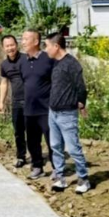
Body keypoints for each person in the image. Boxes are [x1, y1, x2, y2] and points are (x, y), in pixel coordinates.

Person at [44, 32, 91, 194]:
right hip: (53, 112)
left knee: (73, 148)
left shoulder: (72, 63)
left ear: (56, 46)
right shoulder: (54, 63)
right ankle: (60, 178)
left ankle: (83, 179)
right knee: (55, 146)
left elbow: (81, 87)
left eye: (47, 46)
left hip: (67, 114)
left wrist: (81, 104)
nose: (46, 49)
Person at [19, 29, 55, 180]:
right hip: (29, 108)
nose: (23, 42)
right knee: (32, 141)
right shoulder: (23, 61)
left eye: (26, 39)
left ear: (36, 41)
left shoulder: (48, 58)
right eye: (22, 39)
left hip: (46, 108)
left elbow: (56, 81)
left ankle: (56, 168)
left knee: (52, 140)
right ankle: (37, 166)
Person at [0, 35, 27, 168]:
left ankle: (37, 158)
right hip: (16, 102)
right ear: (3, 48)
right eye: (7, 46)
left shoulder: (27, 59)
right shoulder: (4, 65)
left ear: (17, 45)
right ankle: (21, 156)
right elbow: (4, 83)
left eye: (12, 45)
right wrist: (1, 102)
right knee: (18, 131)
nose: (10, 48)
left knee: (33, 131)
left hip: (31, 101)